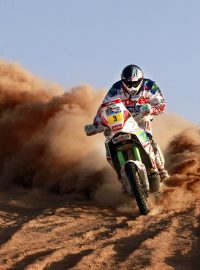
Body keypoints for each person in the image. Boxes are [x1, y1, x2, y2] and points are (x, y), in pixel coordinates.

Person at [93, 64, 169, 181]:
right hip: (121, 120)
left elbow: (161, 104)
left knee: (148, 139)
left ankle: (160, 168)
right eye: (128, 83)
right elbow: (104, 107)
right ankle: (121, 177)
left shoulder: (149, 86)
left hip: (142, 118)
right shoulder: (116, 88)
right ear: (123, 81)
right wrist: (97, 123)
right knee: (109, 145)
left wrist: (152, 109)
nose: (131, 86)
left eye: (134, 83)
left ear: (141, 80)